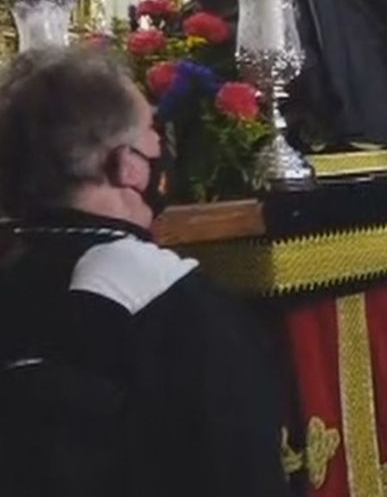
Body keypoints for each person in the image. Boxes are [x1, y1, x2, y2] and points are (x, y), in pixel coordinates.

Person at [0, 48, 290, 497]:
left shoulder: (15, 274)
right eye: (154, 136)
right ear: (126, 166)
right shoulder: (174, 305)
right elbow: (243, 466)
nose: (162, 152)